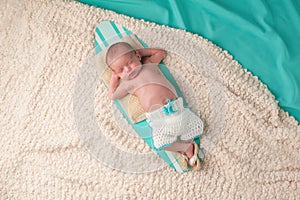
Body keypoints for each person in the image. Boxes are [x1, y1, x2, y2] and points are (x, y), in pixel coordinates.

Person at [106, 42, 204, 170]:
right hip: (158, 118)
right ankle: (184, 148)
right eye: (121, 70)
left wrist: (140, 52)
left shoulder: (149, 64)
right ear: (118, 74)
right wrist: (114, 78)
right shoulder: (127, 84)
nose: (128, 70)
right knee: (161, 144)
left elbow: (160, 52)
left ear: (137, 55)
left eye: (130, 62)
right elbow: (112, 95)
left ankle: (188, 145)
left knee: (194, 126)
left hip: (175, 107)